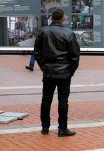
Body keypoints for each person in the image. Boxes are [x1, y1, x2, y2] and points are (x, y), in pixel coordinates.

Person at [34, 8, 80, 137]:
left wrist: (43, 66)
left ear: (51, 18)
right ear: (63, 18)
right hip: (64, 72)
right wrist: (71, 70)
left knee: (46, 99)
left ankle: (44, 127)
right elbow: (75, 55)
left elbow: (36, 52)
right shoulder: (69, 33)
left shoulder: (43, 31)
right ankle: (62, 129)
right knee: (63, 101)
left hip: (48, 72)